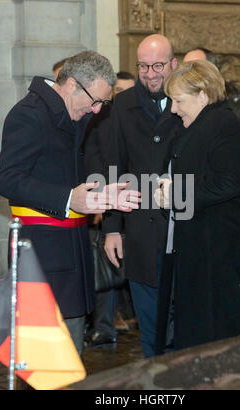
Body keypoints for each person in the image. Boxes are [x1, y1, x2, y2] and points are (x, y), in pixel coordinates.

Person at [0, 50, 141, 355]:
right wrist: (69, 198)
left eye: (104, 103)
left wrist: (101, 193)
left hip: (71, 249)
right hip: (40, 253)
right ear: (73, 84)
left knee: (70, 352)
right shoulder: (30, 114)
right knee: (44, 356)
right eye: (96, 100)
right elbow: (6, 180)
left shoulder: (73, 113)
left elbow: (68, 177)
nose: (98, 110)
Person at [154, 60, 240, 354]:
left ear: (203, 95)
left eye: (179, 101)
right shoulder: (197, 125)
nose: (174, 109)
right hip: (204, 255)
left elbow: (228, 183)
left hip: (224, 262)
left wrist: (177, 192)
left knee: (219, 350)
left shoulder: (222, 123)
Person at [103, 34, 181, 358]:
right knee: (149, 327)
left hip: (182, 225)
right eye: (143, 66)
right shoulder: (121, 105)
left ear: (173, 65)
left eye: (157, 66)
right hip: (140, 230)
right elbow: (113, 166)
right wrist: (111, 228)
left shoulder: (189, 99)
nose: (149, 73)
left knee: (182, 322)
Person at [83, 71, 137, 348]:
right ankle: (103, 326)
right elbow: (95, 158)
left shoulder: (135, 118)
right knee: (104, 264)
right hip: (104, 199)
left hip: (131, 199)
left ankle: (116, 320)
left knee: (116, 266)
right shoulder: (102, 117)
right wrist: (99, 195)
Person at [183, 47, 240, 199]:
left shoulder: (237, 115)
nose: (185, 75)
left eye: (193, 68)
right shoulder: (180, 114)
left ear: (211, 74)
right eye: (184, 68)